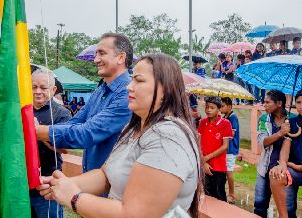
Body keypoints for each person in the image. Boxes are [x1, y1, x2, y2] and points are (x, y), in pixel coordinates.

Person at [38, 54, 201, 217]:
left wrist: (74, 198)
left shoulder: (167, 136)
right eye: (131, 79)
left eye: (139, 80)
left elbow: (134, 214)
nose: (129, 87)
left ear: (167, 88)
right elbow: (106, 175)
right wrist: (64, 184)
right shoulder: (132, 129)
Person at [36, 33, 133, 172]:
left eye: (102, 53)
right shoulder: (100, 90)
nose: (95, 60)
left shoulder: (127, 93)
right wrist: (45, 134)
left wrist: (39, 131)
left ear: (121, 57)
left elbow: (88, 132)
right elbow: (75, 122)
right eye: (96, 54)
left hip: (112, 186)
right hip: (92, 180)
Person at [30, 67, 71, 218]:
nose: (38, 91)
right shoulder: (21, 110)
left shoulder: (62, 114)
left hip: (48, 182)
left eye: (43, 87)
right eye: (33, 87)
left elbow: (64, 149)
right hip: (22, 181)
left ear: (53, 90)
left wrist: (39, 132)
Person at [254, 90, 293, 218]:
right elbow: (262, 142)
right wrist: (280, 133)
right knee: (260, 205)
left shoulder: (292, 119)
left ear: (279, 103)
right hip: (265, 167)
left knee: (288, 208)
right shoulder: (264, 119)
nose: (264, 105)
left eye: (267, 102)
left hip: (285, 170)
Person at [269, 89, 302, 218]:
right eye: (299, 102)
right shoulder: (293, 122)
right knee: (276, 174)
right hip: (296, 171)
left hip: (299, 167)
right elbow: (286, 147)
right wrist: (282, 164)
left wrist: (297, 167)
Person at [198, 96, 233, 202]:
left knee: (219, 193)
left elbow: (225, 146)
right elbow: (198, 143)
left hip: (218, 166)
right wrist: (204, 162)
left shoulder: (225, 123)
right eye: (207, 107)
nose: (208, 110)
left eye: (212, 108)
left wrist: (207, 157)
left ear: (219, 109)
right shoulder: (202, 122)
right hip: (204, 165)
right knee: (207, 193)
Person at [220, 97, 240, 204]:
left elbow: (231, 133)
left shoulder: (233, 117)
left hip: (231, 149)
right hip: (225, 149)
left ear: (229, 106)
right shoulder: (224, 117)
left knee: (229, 171)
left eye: (222, 106)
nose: (220, 108)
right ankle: (223, 192)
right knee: (223, 171)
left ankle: (232, 194)